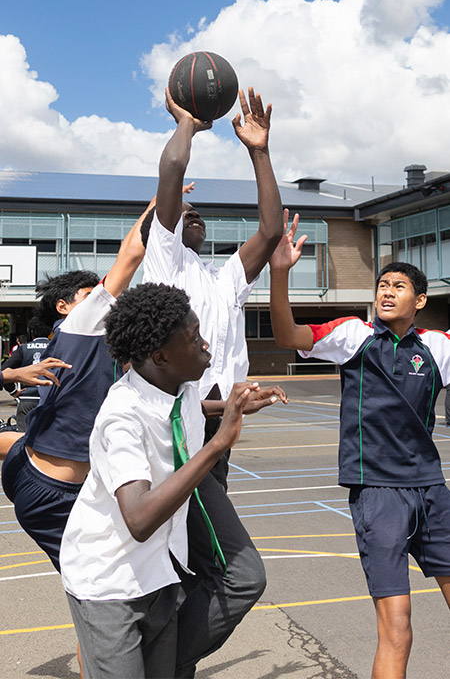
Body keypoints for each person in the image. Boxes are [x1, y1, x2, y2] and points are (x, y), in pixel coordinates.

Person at [60, 281, 284, 679]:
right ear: (160, 356)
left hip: (159, 574)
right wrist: (217, 445)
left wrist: (230, 405)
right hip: (111, 582)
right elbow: (140, 519)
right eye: (194, 337)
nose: (205, 343)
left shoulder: (178, 382)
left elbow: (184, 407)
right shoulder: (121, 417)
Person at [269, 209, 450, 679]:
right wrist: (280, 274)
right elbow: (287, 334)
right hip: (378, 493)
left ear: (421, 300)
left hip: (432, 489)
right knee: (398, 628)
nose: (387, 292)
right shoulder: (354, 336)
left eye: (398, 287)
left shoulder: (438, 347)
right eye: (382, 285)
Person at [141, 85, 283, 487]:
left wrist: (259, 152)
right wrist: (187, 123)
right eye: (184, 214)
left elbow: (271, 230)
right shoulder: (166, 260)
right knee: (200, 537)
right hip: (179, 425)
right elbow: (172, 170)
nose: (194, 214)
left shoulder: (222, 280)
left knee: (198, 540)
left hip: (220, 424)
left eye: (198, 212)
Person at [1, 199, 154, 572]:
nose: (105, 298)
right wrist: (159, 200)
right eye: (91, 295)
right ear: (64, 307)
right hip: (53, 492)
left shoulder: (99, 344)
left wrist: (7, 375)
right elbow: (131, 254)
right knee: (104, 587)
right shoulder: (81, 325)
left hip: (35, 462)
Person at [2, 316, 51, 431]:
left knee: (23, 438)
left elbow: (5, 371)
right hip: (50, 398)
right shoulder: (57, 347)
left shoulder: (24, 349)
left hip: (28, 398)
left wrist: (13, 391)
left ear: (32, 333)